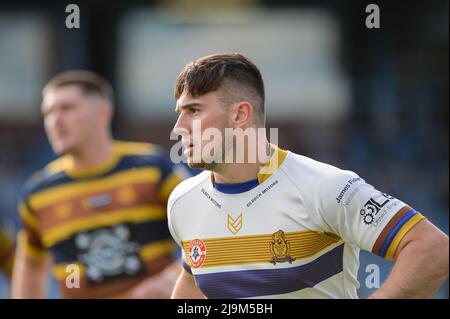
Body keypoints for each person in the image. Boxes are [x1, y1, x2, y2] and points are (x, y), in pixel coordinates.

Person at [167, 52, 449, 299]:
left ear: (240, 115)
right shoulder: (183, 200)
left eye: (194, 110)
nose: (179, 126)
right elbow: (192, 283)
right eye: (180, 112)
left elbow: (434, 249)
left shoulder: (326, 187)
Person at [12, 70, 187, 298]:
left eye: (67, 108)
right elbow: (32, 265)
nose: (55, 121)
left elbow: (205, 232)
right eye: (48, 112)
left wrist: (170, 278)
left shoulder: (153, 168)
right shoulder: (38, 192)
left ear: (103, 113)